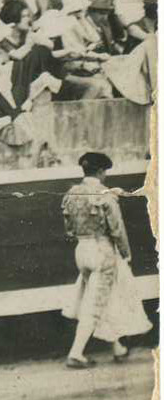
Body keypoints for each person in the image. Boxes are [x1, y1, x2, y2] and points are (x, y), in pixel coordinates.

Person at [60, 150, 148, 368]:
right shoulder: (104, 193)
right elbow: (117, 229)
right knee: (96, 302)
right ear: (100, 171)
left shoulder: (72, 193)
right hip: (101, 250)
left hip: (81, 249)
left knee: (105, 296)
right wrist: (126, 253)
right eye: (105, 172)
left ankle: (117, 347)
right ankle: (76, 353)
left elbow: (68, 227)